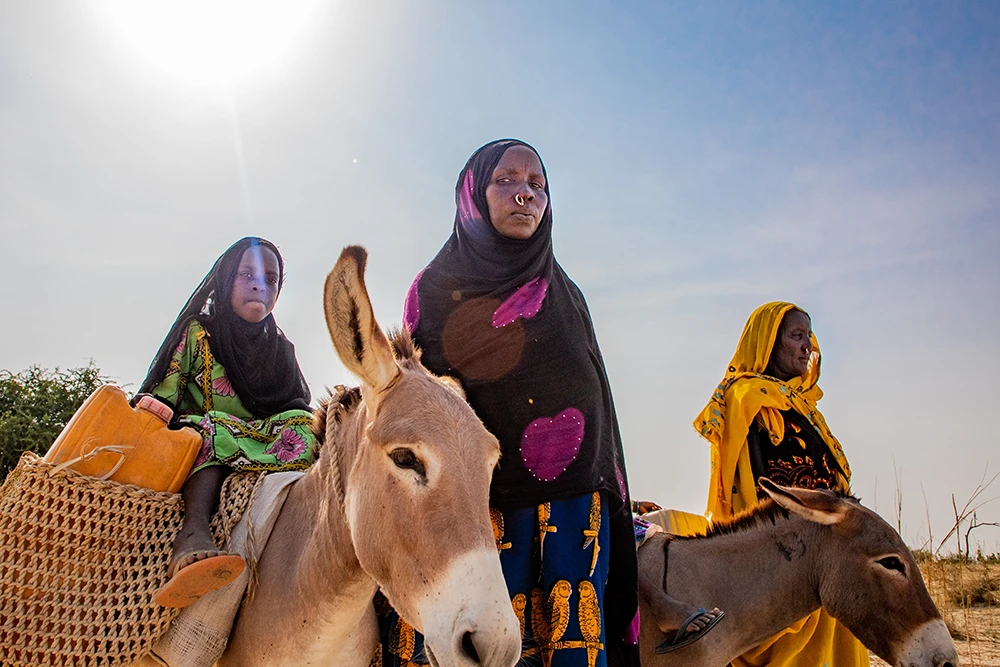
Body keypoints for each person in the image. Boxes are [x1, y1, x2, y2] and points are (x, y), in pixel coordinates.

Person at [386, 139, 719, 667]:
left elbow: (599, 408)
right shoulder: (432, 291)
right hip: (478, 510)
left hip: (573, 508)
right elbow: (414, 404)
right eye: (506, 181)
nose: (524, 195)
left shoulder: (567, 294)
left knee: (572, 641)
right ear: (472, 195)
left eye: (537, 185)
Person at [137, 236, 318, 608]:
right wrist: (155, 407)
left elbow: (295, 405)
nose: (259, 285)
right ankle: (193, 532)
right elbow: (168, 389)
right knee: (211, 427)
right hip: (204, 434)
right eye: (247, 274)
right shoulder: (199, 333)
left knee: (307, 428)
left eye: (271, 279)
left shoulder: (280, 348)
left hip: (262, 440)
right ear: (224, 281)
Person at [693, 301, 869, 667]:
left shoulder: (802, 405)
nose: (808, 347)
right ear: (768, 344)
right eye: (796, 336)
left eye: (809, 336)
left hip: (826, 549)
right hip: (783, 555)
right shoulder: (747, 398)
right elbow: (747, 482)